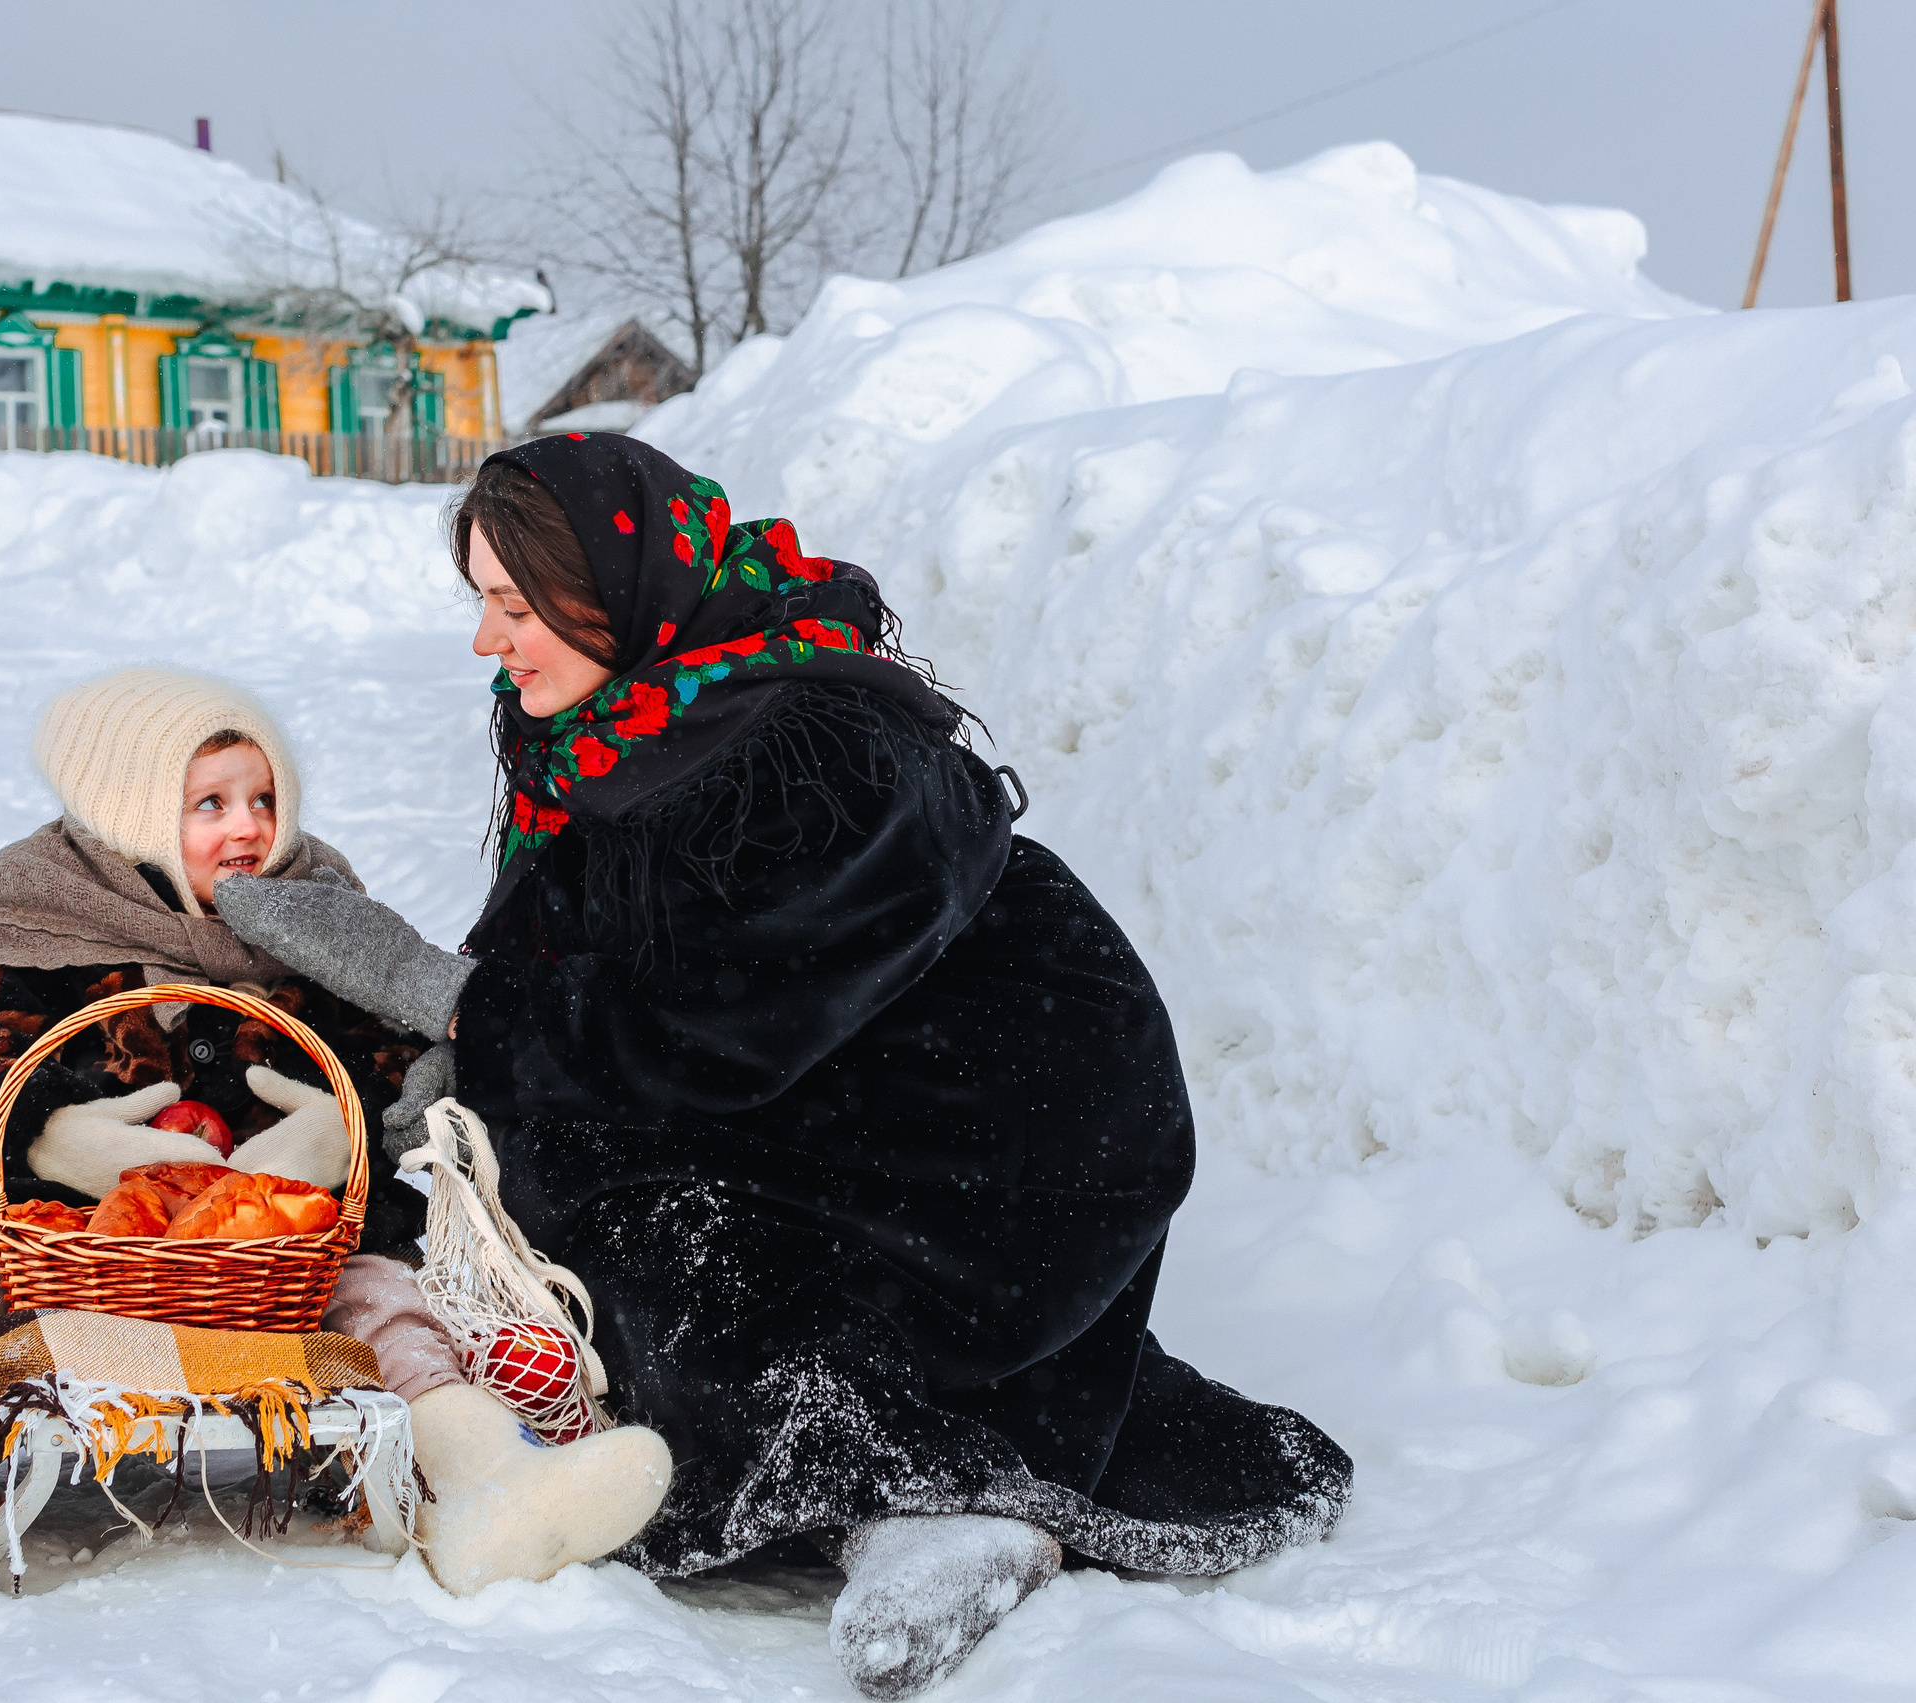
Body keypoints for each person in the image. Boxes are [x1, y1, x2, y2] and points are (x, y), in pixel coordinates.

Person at [214, 437, 1353, 1700]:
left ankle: (920, 1499)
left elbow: (711, 1029)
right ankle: (841, 1452)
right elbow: (584, 959)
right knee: (537, 1173)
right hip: (836, 1083)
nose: (489, 640)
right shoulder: (615, 719)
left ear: (614, 595)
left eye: (515, 605)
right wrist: (467, 1057)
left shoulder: (812, 751)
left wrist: (462, 1003)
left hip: (1006, 1129)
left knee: (656, 1224)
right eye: (480, 599)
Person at [0, 667, 669, 1593]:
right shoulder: (42, 918)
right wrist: (51, 1129)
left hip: (281, 1233)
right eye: (210, 804)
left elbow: (394, 1049)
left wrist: (344, 1130)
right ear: (129, 812)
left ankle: (490, 1479)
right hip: (67, 1230)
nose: (248, 828)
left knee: (389, 1301)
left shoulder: (315, 915)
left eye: (263, 798)